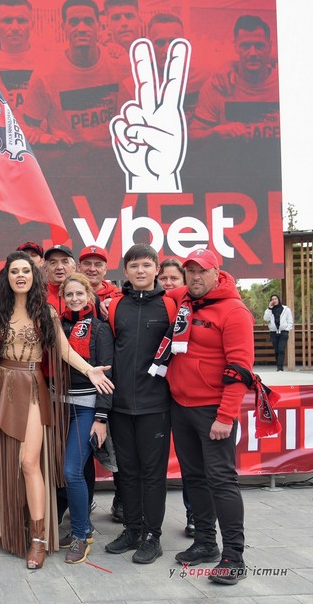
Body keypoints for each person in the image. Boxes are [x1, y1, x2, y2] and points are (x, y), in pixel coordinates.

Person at [0, 252, 113, 568]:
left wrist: (89, 370)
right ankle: (10, 528)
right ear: (8, 278)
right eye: (15, 271)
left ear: (34, 276)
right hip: (2, 387)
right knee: (5, 463)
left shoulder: (45, 311)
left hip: (31, 386)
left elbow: (63, 350)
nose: (20, 275)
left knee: (29, 462)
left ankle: (38, 539)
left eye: (26, 270)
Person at [165, 248, 254, 585]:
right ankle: (205, 542)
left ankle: (234, 557)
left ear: (218, 273)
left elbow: (240, 369)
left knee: (221, 481)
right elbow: (157, 292)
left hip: (213, 411)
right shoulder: (184, 297)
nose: (195, 277)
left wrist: (226, 416)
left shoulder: (235, 311)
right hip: (181, 406)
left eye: (202, 271)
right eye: (190, 271)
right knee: (194, 478)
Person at [104, 244, 173, 565]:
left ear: (157, 269)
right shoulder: (116, 306)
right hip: (120, 405)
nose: (140, 271)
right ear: (126, 271)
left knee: (153, 474)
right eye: (134, 266)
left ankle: (152, 536)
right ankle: (132, 529)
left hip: (155, 405)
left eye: (146, 265)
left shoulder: (170, 305)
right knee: (128, 472)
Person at [58, 273, 113, 564]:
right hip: (58, 407)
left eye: (79, 293)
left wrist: (101, 418)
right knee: (64, 471)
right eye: (69, 294)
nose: (74, 298)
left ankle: (80, 534)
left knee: (72, 471)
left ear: (89, 296)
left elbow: (107, 374)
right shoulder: (57, 325)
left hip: (86, 408)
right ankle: (83, 528)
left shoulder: (101, 328)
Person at [22, 0, 128, 146]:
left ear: (99, 25)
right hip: (67, 155)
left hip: (112, 154)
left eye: (88, 21)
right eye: (74, 22)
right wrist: (47, 137)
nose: (82, 28)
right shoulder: (45, 74)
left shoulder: (119, 65)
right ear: (63, 27)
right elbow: (30, 127)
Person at [191, 15, 279, 140]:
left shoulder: (285, 85)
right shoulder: (218, 85)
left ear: (270, 46)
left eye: (259, 46)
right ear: (236, 46)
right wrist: (215, 133)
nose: (253, 53)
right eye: (245, 46)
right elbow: (193, 137)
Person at [157, 257, 194, 538]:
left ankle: (195, 515)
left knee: (190, 461)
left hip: (185, 391)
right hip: (156, 390)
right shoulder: (153, 305)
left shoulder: (190, 307)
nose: (168, 284)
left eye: (174, 279)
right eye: (163, 279)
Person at [0, 0, 45, 110]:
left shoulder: (47, 62)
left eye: (21, 21)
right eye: (7, 21)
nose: (15, 28)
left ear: (32, 24)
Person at [264, 294, 293, 371]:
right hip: (273, 332)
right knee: (276, 350)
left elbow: (290, 321)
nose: (274, 300)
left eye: (275, 299)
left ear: (278, 299)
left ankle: (280, 367)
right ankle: (278, 365)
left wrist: (287, 329)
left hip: (283, 332)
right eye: (272, 299)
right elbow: (266, 319)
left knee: (281, 350)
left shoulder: (286, 309)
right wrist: (269, 308)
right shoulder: (269, 310)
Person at [44, 244, 76, 312]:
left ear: (74, 268)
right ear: (46, 270)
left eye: (65, 262)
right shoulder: (37, 295)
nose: (59, 267)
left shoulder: (84, 295)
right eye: (53, 263)